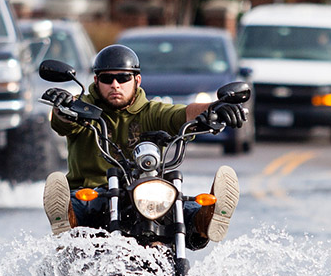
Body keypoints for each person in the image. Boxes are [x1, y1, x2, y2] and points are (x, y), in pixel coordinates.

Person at [40, 44, 246, 250]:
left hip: (144, 195)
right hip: (93, 193)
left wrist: (215, 108)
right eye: (106, 78)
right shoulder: (82, 109)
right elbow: (62, 121)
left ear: (136, 80)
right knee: (79, 205)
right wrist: (63, 107)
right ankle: (65, 220)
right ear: (96, 80)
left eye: (123, 78)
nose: (115, 85)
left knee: (178, 204)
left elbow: (184, 114)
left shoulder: (151, 111)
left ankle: (207, 219)